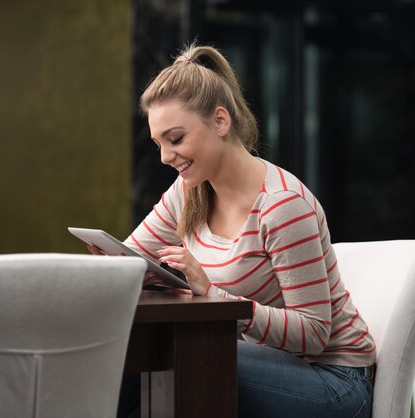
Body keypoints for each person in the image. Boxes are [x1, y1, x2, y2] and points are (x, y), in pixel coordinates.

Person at [91, 43, 376, 418]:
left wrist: (212, 293)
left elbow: (314, 333)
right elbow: (130, 256)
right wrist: (120, 270)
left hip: (334, 381)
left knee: (186, 360)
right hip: (262, 361)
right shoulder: (189, 190)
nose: (164, 157)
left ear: (220, 122)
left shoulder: (282, 207)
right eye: (158, 143)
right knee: (128, 359)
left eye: (175, 139)